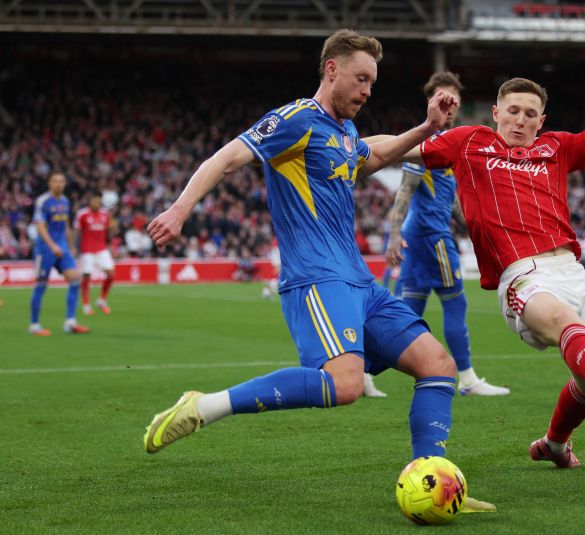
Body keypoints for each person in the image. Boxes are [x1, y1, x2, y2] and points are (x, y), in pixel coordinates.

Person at [143, 28, 493, 512]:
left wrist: (429, 128)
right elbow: (227, 157)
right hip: (315, 280)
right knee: (345, 385)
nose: (368, 90)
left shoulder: (345, 133)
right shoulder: (295, 120)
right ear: (332, 70)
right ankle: (202, 407)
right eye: (361, 78)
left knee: (438, 366)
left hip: (359, 283)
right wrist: (181, 209)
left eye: (373, 81)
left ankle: (433, 479)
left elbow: (379, 152)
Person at [386, 21, 585, 467]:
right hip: (522, 276)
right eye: (513, 111)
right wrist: (343, 144)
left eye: (530, 113)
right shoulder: (469, 143)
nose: (521, 119)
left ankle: (554, 445)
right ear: (496, 112)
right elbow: (395, 149)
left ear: (541, 120)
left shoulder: (557, 148)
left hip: (572, 272)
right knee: (576, 336)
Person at [381, 71, 509, 397]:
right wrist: (394, 236)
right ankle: (466, 379)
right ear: (431, 101)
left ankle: (365, 370)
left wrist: (480, 233)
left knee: (407, 314)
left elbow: (449, 202)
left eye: (454, 99)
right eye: (442, 97)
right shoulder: (424, 144)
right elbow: (404, 193)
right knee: (456, 305)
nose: (449, 105)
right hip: (432, 239)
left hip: (422, 238)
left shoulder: (448, 146)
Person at [29, 171, 91, 335]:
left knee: (75, 278)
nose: (59, 184)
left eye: (62, 181)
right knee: (41, 285)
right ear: (50, 183)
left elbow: (65, 224)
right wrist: (52, 245)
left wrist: (70, 245)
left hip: (62, 247)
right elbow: (40, 225)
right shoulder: (43, 201)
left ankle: (70, 322)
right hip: (45, 249)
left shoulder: (65, 201)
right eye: (55, 181)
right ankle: (34, 325)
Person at [74, 192, 115, 315]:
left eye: (99, 201)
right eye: (94, 201)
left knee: (111, 274)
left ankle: (101, 300)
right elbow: (76, 231)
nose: (97, 203)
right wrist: (74, 247)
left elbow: (108, 234)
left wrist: (113, 231)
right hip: (87, 250)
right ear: (90, 201)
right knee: (86, 276)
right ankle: (86, 305)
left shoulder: (105, 215)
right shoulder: (82, 214)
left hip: (102, 249)